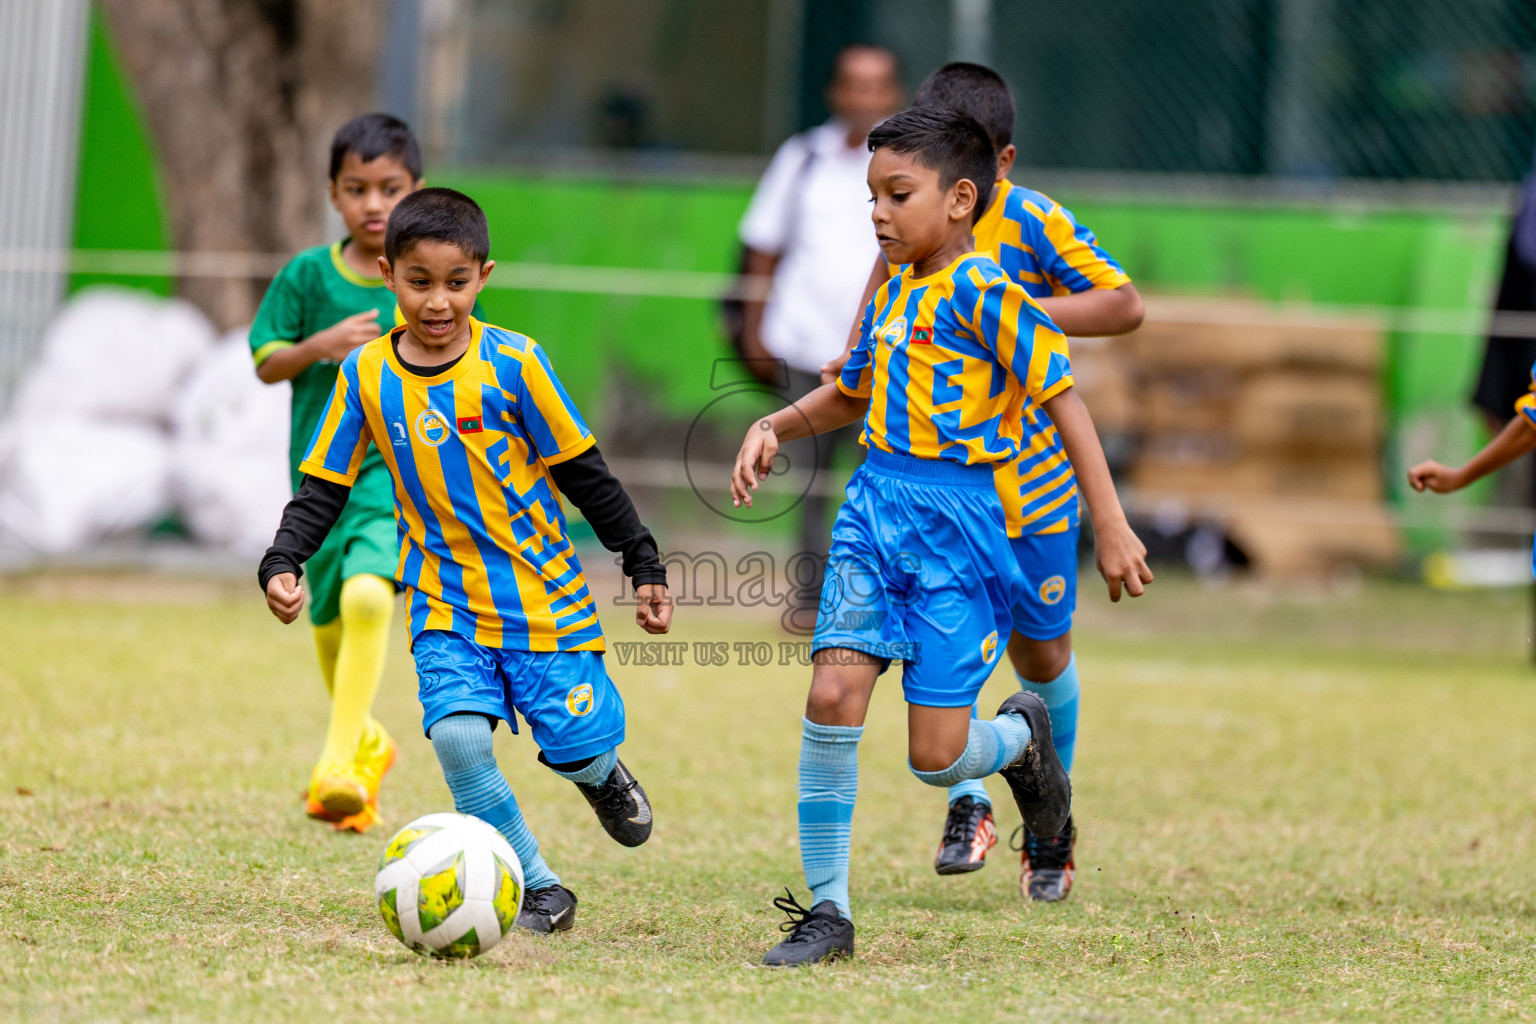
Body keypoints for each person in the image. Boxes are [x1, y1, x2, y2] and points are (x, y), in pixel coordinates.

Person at [729, 107, 1152, 966]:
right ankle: (828, 914)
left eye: (898, 194)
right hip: (873, 507)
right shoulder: (888, 285)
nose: (878, 213)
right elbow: (852, 393)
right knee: (831, 697)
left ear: (960, 198)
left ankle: (1024, 741)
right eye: (872, 196)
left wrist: (1108, 523)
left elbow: (1064, 402)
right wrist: (776, 425)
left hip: (960, 526)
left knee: (938, 758)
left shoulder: (989, 293)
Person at [258, 187, 673, 933]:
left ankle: (600, 774)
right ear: (388, 276)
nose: (438, 301)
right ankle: (540, 885)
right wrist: (283, 556)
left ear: (484, 276)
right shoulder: (364, 375)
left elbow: (586, 472)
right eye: (419, 282)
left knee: (577, 744)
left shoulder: (517, 364)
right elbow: (324, 484)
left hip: (545, 598)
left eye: (456, 282)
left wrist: (641, 561)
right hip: (443, 600)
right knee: (455, 737)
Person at [823, 63, 1145, 900]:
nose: (887, 211)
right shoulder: (909, 233)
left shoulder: (1029, 224)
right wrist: (861, 357)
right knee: (942, 661)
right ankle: (968, 802)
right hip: (927, 496)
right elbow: (882, 306)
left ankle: (1051, 827)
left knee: (1042, 652)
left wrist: (1008, 315)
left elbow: (1123, 306)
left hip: (1029, 494)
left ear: (998, 165)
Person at [248, 113, 426, 833]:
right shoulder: (306, 277)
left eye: (390, 188)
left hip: (392, 474)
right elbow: (265, 362)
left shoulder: (423, 279)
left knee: (368, 596)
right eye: (357, 189)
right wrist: (319, 345)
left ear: (415, 190)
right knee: (324, 616)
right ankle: (368, 742)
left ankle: (336, 759)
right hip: (321, 482)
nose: (374, 204)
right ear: (333, 194)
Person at [735, 45, 903, 627]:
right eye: (853, 85)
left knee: (882, 480)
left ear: (892, 93)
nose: (864, 98)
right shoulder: (802, 157)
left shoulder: (905, 166)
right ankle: (813, 605)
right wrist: (753, 331)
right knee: (807, 485)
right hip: (805, 347)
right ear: (835, 92)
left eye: (876, 86)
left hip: (883, 356)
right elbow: (763, 243)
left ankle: (875, 603)